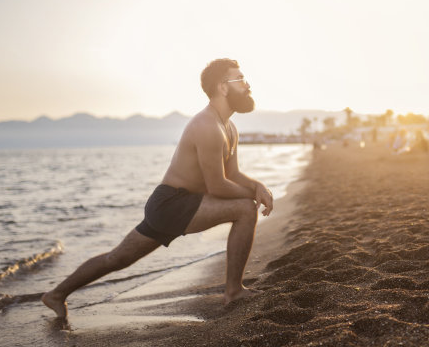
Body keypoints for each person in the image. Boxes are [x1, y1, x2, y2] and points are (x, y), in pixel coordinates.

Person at [42, 59, 274, 318]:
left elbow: (233, 174)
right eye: (240, 79)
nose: (247, 84)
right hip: (171, 204)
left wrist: (258, 186)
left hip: (184, 203)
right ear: (222, 87)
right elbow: (217, 186)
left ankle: (56, 294)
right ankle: (233, 292)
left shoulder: (228, 127)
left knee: (117, 259)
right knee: (244, 209)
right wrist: (253, 195)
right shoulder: (207, 126)